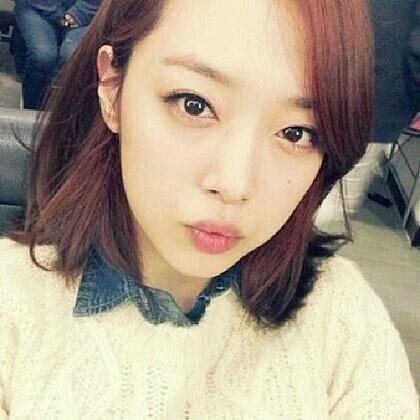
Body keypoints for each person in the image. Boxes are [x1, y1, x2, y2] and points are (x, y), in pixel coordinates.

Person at [0, 0, 418, 417]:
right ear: (112, 89)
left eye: (296, 133)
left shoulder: (341, 317)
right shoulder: (13, 306)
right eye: (194, 104)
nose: (235, 185)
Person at [14, 0, 102, 109]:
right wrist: (60, 15)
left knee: (72, 57)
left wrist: (79, 13)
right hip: (36, 7)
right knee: (43, 57)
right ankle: (31, 106)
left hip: (88, 13)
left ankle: (63, 111)